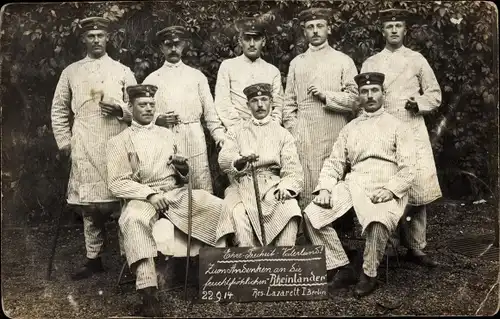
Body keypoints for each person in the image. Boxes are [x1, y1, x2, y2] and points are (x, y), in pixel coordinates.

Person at [106, 84, 226, 316]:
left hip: (173, 193)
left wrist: (182, 168)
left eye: (152, 104)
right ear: (130, 107)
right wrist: (149, 195)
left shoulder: (168, 134)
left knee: (216, 206)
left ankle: (213, 280)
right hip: (142, 196)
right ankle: (148, 292)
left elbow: (184, 176)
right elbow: (117, 183)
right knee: (133, 220)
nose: (149, 109)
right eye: (142, 105)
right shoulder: (118, 142)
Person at [303, 72, 416, 298]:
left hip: (386, 184)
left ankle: (369, 272)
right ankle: (342, 265)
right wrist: (325, 188)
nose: (370, 95)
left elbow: (409, 167)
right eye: (365, 91)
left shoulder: (398, 126)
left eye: (374, 90)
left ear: (383, 93)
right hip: (355, 183)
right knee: (312, 214)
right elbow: (334, 162)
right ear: (360, 96)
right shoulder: (350, 128)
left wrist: (391, 190)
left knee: (377, 220)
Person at [51, 16, 137, 280]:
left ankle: (130, 259)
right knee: (90, 206)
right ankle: (93, 258)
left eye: (101, 35)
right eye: (91, 36)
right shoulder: (71, 71)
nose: (96, 40)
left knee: (121, 203)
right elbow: (58, 109)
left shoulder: (122, 71)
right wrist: (66, 143)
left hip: (115, 142)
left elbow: (138, 108)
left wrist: (121, 110)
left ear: (107, 38)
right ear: (84, 39)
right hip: (84, 143)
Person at [361, 8, 442, 267]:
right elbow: (364, 97)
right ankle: (388, 245)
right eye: (389, 26)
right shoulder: (371, 63)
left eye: (398, 25)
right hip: (382, 128)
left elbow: (435, 94)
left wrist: (417, 102)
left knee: (416, 186)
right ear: (382, 31)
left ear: (405, 30)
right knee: (386, 183)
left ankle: (417, 247)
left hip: (411, 126)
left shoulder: (417, 59)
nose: (394, 30)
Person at [283, 7, 358, 209]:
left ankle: (336, 232)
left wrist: (327, 96)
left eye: (320, 26)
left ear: (329, 29)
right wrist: (294, 130)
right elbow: (288, 103)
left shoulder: (343, 60)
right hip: (305, 132)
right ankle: (308, 231)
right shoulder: (297, 63)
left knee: (333, 179)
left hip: (334, 128)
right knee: (307, 182)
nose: (315, 31)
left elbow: (355, 100)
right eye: (310, 27)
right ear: (304, 31)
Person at [217, 83, 304, 247]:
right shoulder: (236, 131)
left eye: (264, 99)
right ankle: (250, 266)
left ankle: (283, 264)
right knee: (238, 213)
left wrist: (285, 187)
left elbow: (292, 169)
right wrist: (240, 160)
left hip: (272, 186)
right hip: (241, 185)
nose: (260, 105)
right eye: (255, 101)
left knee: (291, 209)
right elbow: (224, 159)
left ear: (271, 101)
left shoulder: (282, 134)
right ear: (248, 105)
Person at [142, 25, 226, 193]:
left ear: (184, 45)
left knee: (199, 188)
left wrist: (220, 138)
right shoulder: (152, 79)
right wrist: (157, 118)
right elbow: (139, 113)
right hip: (166, 138)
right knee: (171, 187)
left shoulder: (197, 77)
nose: (173, 49)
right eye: (168, 44)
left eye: (177, 44)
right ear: (161, 47)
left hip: (194, 138)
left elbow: (210, 114)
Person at [215, 17, 284, 130]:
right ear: (240, 41)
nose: (252, 44)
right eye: (247, 39)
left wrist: (271, 128)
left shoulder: (272, 71)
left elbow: (278, 105)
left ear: (263, 41)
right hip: (237, 131)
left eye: (256, 39)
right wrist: (239, 129)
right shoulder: (228, 66)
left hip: (267, 132)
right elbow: (223, 103)